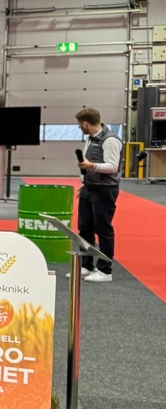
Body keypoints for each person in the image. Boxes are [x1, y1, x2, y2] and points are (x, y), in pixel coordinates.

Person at [74, 107, 120, 282]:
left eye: (80, 125)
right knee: (84, 228)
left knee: (103, 229)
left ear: (86, 124)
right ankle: (86, 265)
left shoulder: (110, 140)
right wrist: (84, 183)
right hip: (89, 188)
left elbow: (112, 167)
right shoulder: (90, 139)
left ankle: (105, 270)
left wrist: (91, 166)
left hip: (105, 190)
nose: (79, 128)